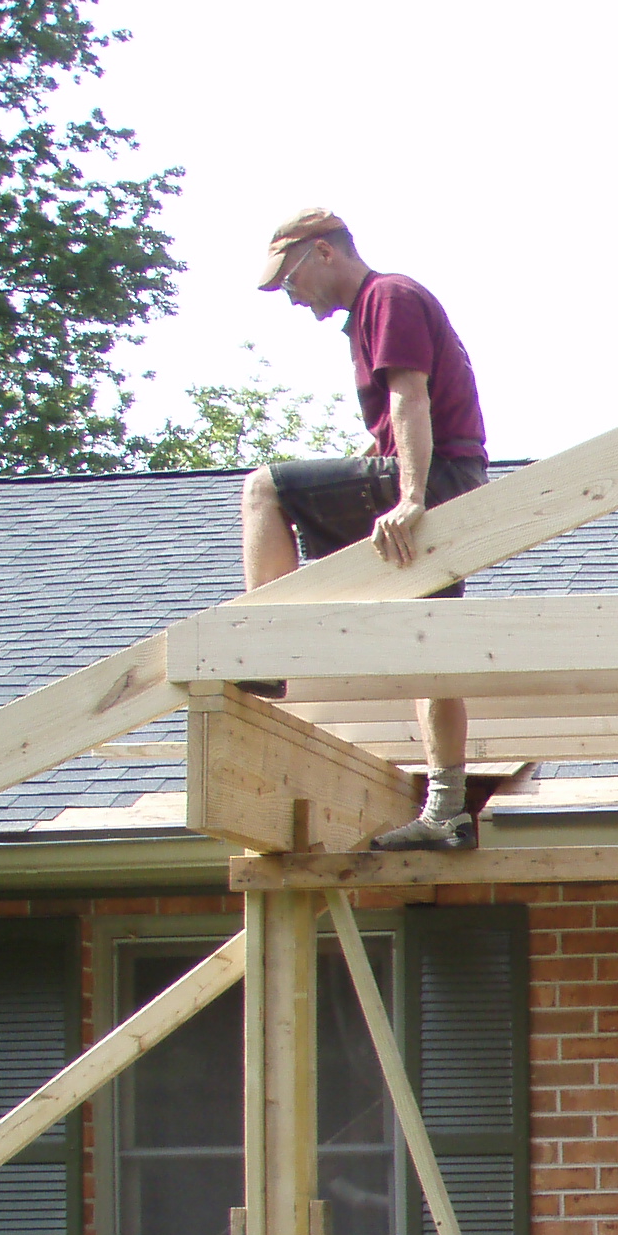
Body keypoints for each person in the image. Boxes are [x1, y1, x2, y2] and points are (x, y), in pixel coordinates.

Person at [240, 210, 490, 850]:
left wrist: (408, 498)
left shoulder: (388, 296)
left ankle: (265, 649)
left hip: (441, 479)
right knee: (426, 646)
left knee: (265, 487)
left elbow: (411, 397)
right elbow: (395, 418)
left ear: (322, 252)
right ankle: (448, 810)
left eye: (289, 278)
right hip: (451, 477)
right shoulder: (372, 314)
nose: (291, 296)